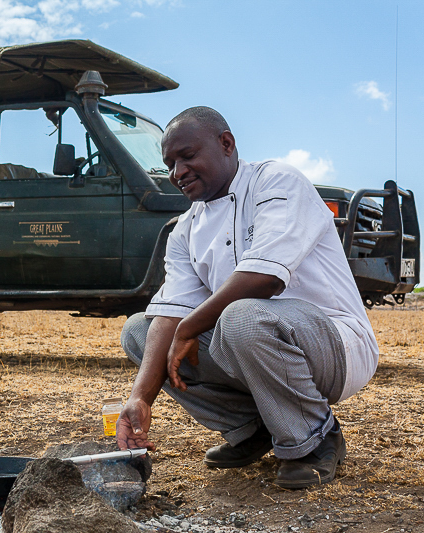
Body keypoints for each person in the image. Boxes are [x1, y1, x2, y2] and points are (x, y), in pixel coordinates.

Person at [116, 106, 378, 489]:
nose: (177, 173)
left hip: (334, 345)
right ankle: (252, 428)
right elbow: (170, 311)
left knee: (242, 317)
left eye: (187, 156)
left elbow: (265, 278)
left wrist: (191, 326)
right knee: (140, 330)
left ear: (226, 144)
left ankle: (315, 439)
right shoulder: (186, 228)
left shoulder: (276, 181)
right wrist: (141, 398)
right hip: (255, 342)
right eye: (170, 163)